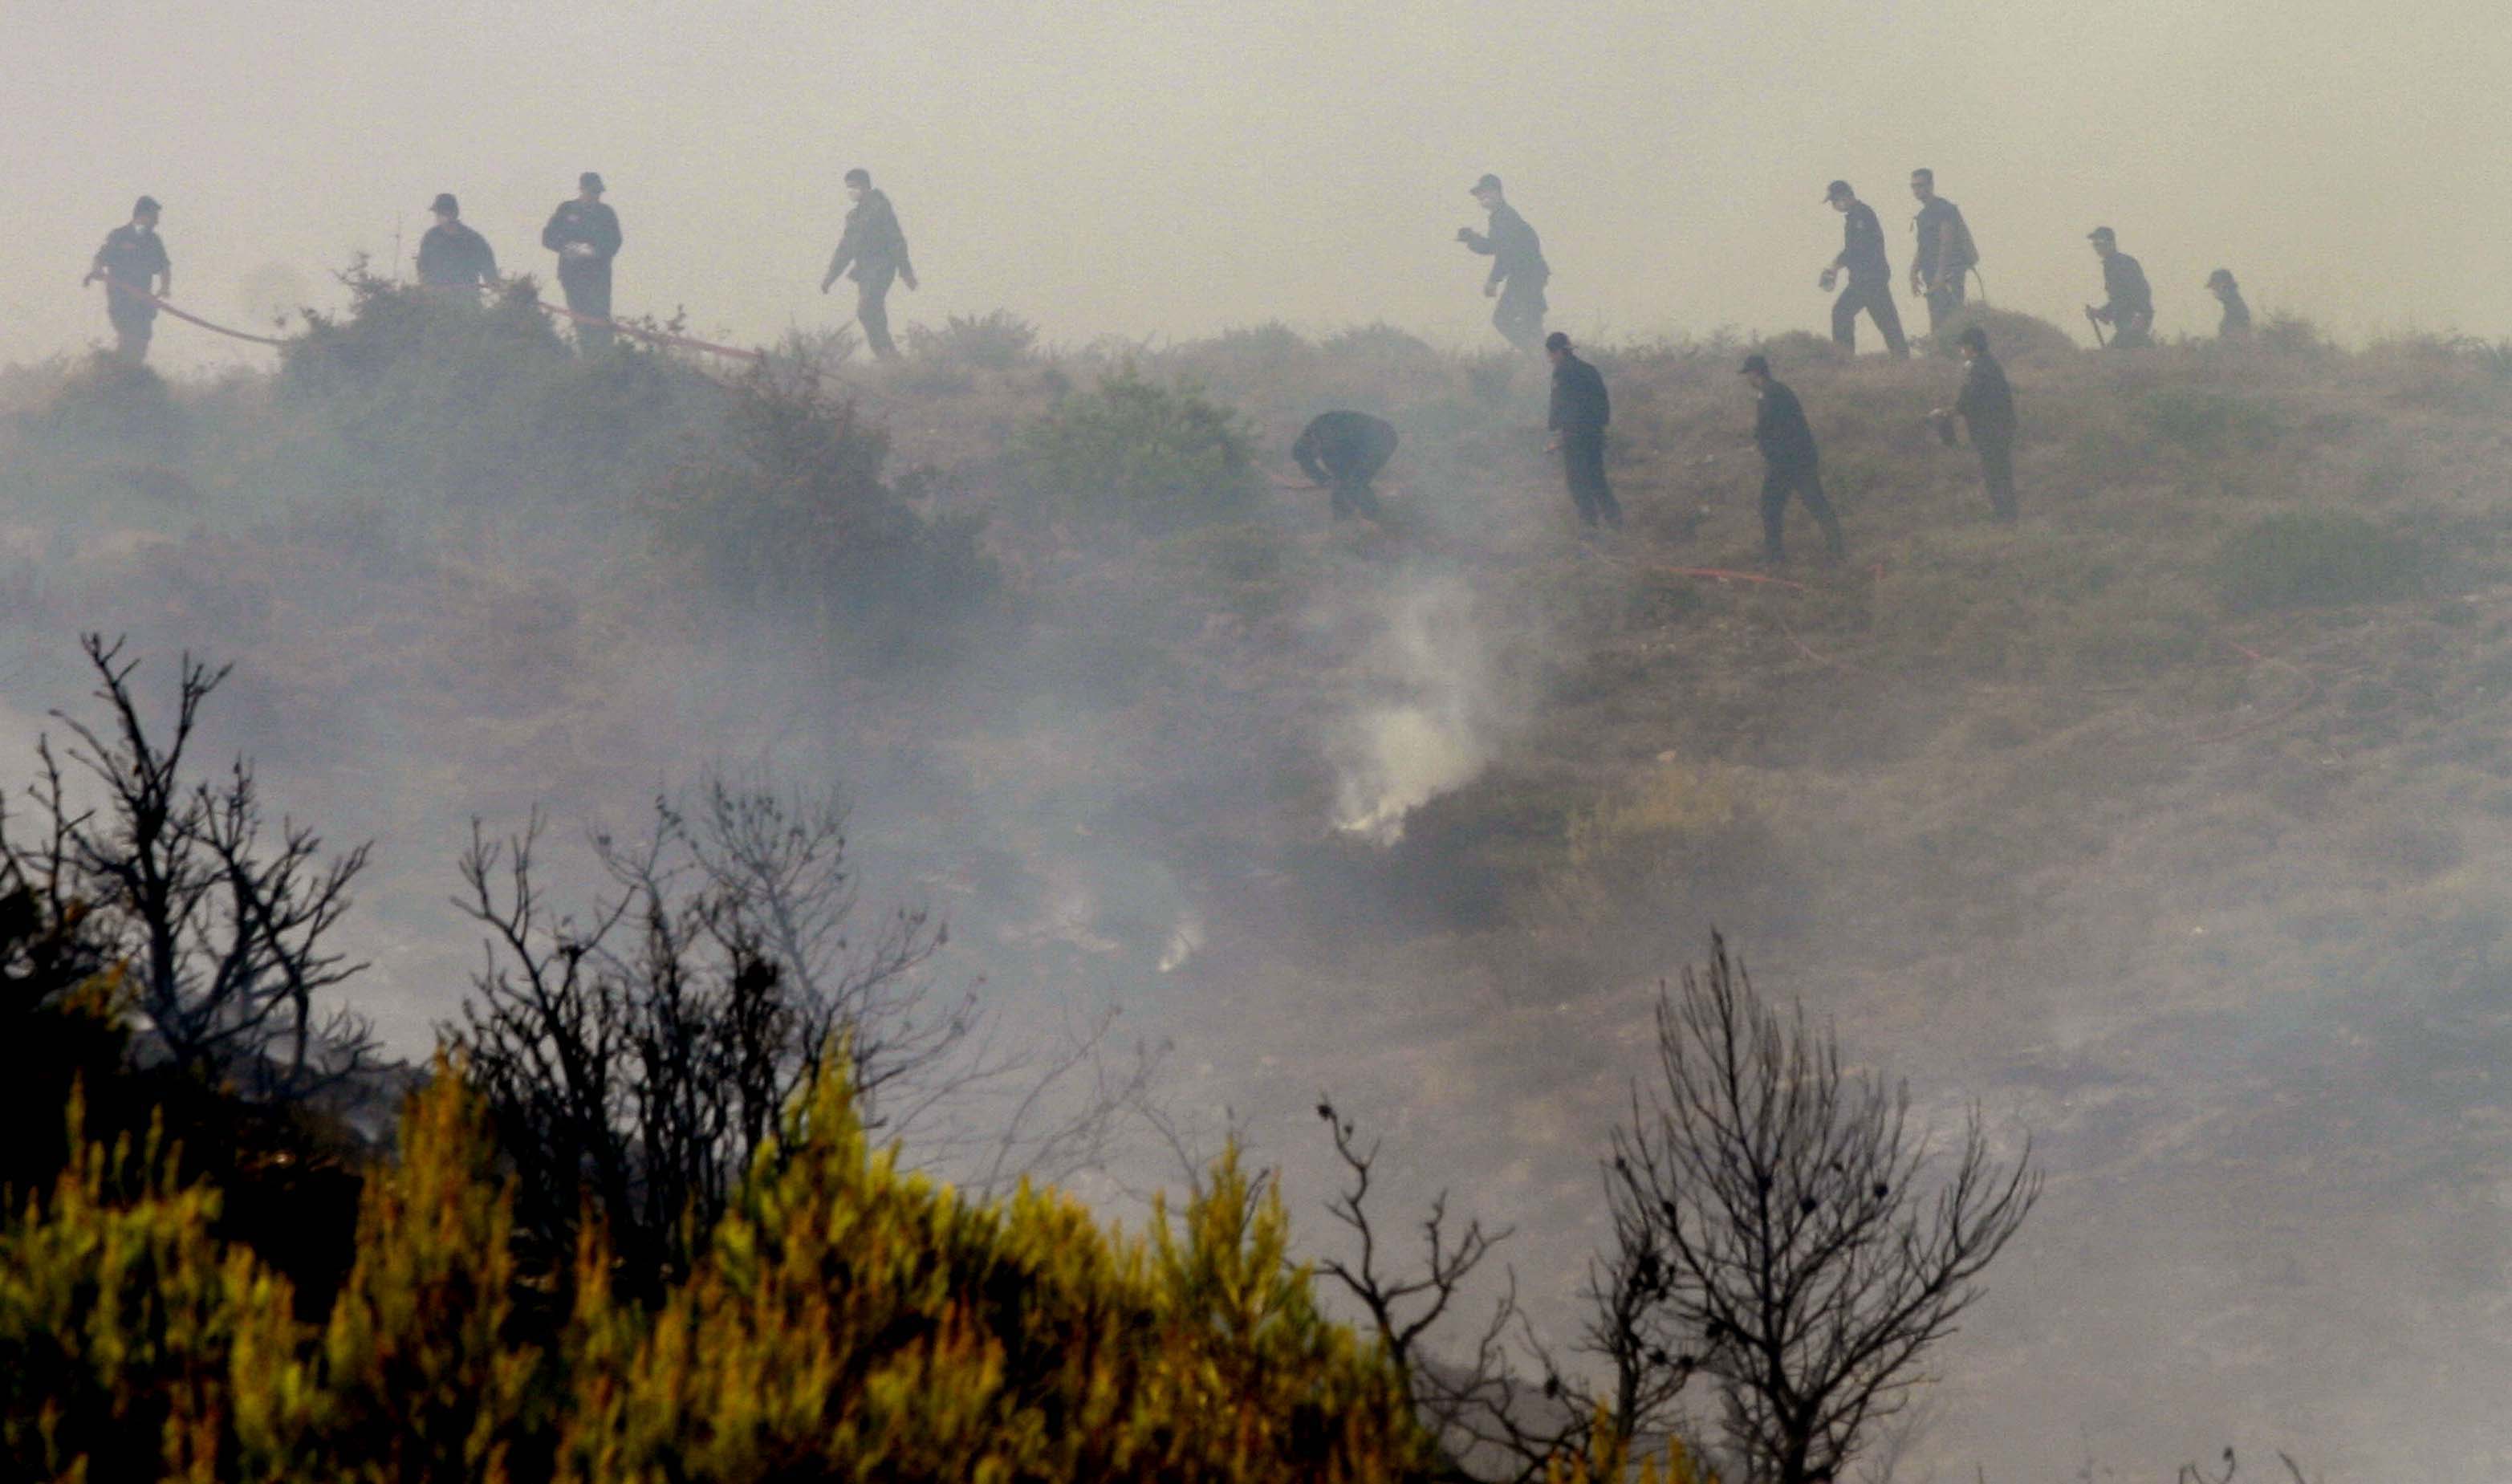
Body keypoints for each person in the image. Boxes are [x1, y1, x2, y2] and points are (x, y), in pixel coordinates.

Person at [1740, 353, 1843, 563]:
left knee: (1771, 507)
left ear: (1755, 373)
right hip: (1798, 459)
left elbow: (1769, 428)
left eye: (1748, 374)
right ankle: (1837, 551)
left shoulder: (1769, 394)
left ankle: (1775, 557)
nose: (1747, 379)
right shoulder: (1778, 390)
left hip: (1787, 462)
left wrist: (1765, 445)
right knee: (1816, 504)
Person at [820, 168, 918, 360]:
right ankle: (889, 358)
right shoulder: (854, 216)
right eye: (848, 187)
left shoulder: (880, 208)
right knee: (872, 312)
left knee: (866, 309)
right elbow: (845, 249)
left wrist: (906, 272)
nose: (851, 191)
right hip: (864, 270)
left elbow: (896, 240)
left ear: (865, 186)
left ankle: (888, 355)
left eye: (854, 187)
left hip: (882, 266)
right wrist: (830, 277)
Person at [1932, 326, 2018, 521]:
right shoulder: (1990, 364)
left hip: (1991, 432)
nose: (1962, 352)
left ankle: (2005, 518)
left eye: (1963, 347)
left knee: (1995, 476)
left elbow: (1970, 400)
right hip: (2001, 429)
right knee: (2002, 474)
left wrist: (1948, 412)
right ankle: (2008, 516)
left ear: (1970, 346)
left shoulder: (1979, 368)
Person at [1457, 174, 1550, 352]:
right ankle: (1544, 359)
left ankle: (1539, 356)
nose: (1481, 198)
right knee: (1531, 323)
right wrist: (1472, 238)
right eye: (1479, 195)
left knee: (1504, 320)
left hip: (1527, 277)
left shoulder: (1504, 217)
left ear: (1497, 192)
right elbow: (1495, 246)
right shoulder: (1500, 216)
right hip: (1529, 275)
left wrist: (1493, 280)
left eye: (1485, 193)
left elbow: (1505, 252)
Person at [1820, 181, 1907, 358]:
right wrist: (1835, 266)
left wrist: (1835, 266)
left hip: (1869, 279)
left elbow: (1857, 248)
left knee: (1845, 313)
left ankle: (1845, 360)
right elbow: (1854, 248)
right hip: (1866, 279)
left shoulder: (1861, 215)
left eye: (1834, 200)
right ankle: (1902, 360)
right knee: (1886, 323)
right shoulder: (1855, 215)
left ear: (1845, 195)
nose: (1834, 205)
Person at [1546, 331, 1622, 530]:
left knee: (1577, 482)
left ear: (1557, 352)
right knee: (1597, 479)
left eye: (1551, 355)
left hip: (1574, 435)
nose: (1551, 360)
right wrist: (1600, 427)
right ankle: (1616, 522)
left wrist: (1555, 430)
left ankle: (1590, 525)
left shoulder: (1562, 372)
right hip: (1594, 434)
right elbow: (1603, 402)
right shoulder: (1590, 370)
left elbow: (1559, 404)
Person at [83, 195, 172, 363]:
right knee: (129, 336)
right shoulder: (119, 236)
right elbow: (100, 258)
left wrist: (165, 287)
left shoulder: (154, 240)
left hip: (143, 302)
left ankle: (128, 372)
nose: (157, 222)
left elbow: (164, 266)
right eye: (154, 217)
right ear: (142, 215)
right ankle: (114, 369)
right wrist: (96, 271)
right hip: (121, 300)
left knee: (142, 341)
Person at [542, 171, 623, 351]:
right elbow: (547, 237)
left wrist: (596, 252)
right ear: (582, 190)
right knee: (580, 319)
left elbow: (615, 241)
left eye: (598, 193)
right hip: (572, 276)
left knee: (601, 319)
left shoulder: (606, 213)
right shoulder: (566, 209)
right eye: (592, 192)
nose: (595, 196)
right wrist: (566, 247)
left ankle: (606, 357)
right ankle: (586, 359)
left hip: (598, 277)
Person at [1908, 169, 1978, 335]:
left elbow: (1947, 243)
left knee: (1952, 319)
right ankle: (1940, 356)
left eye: (1920, 185)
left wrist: (1940, 274)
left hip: (1950, 273)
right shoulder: (1923, 215)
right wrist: (1913, 272)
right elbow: (1923, 247)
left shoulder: (1944, 209)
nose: (1916, 190)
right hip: (1932, 275)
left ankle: (1952, 357)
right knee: (1937, 321)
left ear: (1931, 186)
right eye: (1913, 186)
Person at [1292, 412, 1399, 522]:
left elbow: (1341, 474)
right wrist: (1323, 479)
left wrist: (1328, 480)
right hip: (1361, 441)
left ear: (1313, 445)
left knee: (1355, 482)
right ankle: (1344, 518)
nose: (1316, 458)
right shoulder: (1313, 437)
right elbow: (1306, 461)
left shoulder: (1329, 439)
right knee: (1346, 481)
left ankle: (1374, 517)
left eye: (1314, 455)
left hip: (1381, 439)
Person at [414, 193, 498, 291]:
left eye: (445, 212)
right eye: (439, 213)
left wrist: (493, 283)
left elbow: (490, 272)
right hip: (436, 299)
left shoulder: (474, 240)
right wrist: (426, 286)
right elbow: (422, 268)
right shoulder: (431, 238)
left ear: (455, 213)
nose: (441, 216)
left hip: (467, 299)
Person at [2086, 226, 2152, 348]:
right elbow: (2118, 301)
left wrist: (2140, 315)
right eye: (2095, 244)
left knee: (2115, 357)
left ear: (2112, 243)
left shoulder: (2124, 264)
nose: (2097, 247)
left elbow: (2141, 291)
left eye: (2100, 243)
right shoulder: (2109, 266)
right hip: (2124, 325)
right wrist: (2099, 313)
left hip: (2133, 324)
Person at [2206, 268, 2253, 339]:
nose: (2214, 291)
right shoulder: (2234, 306)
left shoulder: (2236, 308)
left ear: (2224, 286)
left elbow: (2238, 337)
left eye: (2215, 286)